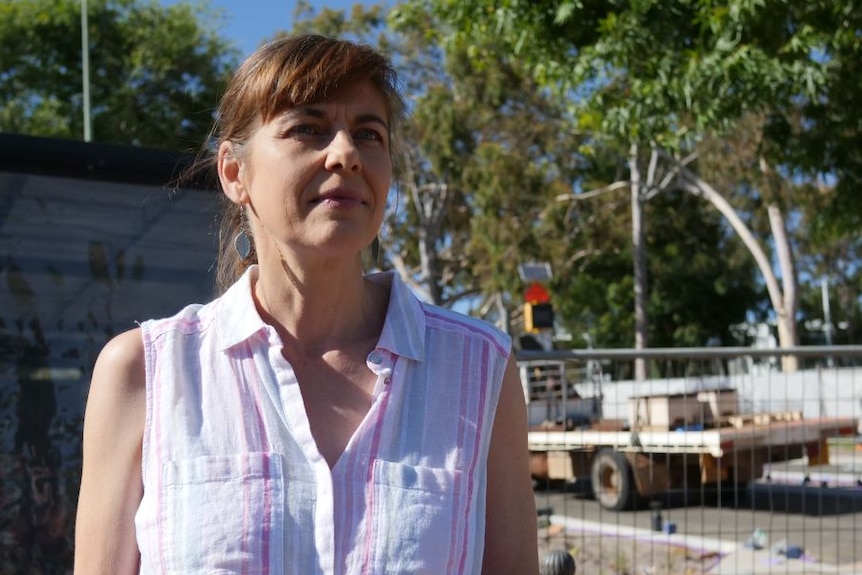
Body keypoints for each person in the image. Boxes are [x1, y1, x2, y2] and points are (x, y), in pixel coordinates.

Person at [74, 34, 538, 574]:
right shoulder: (147, 373)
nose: (345, 154)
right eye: (307, 129)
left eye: (369, 134)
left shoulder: (479, 370)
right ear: (233, 173)